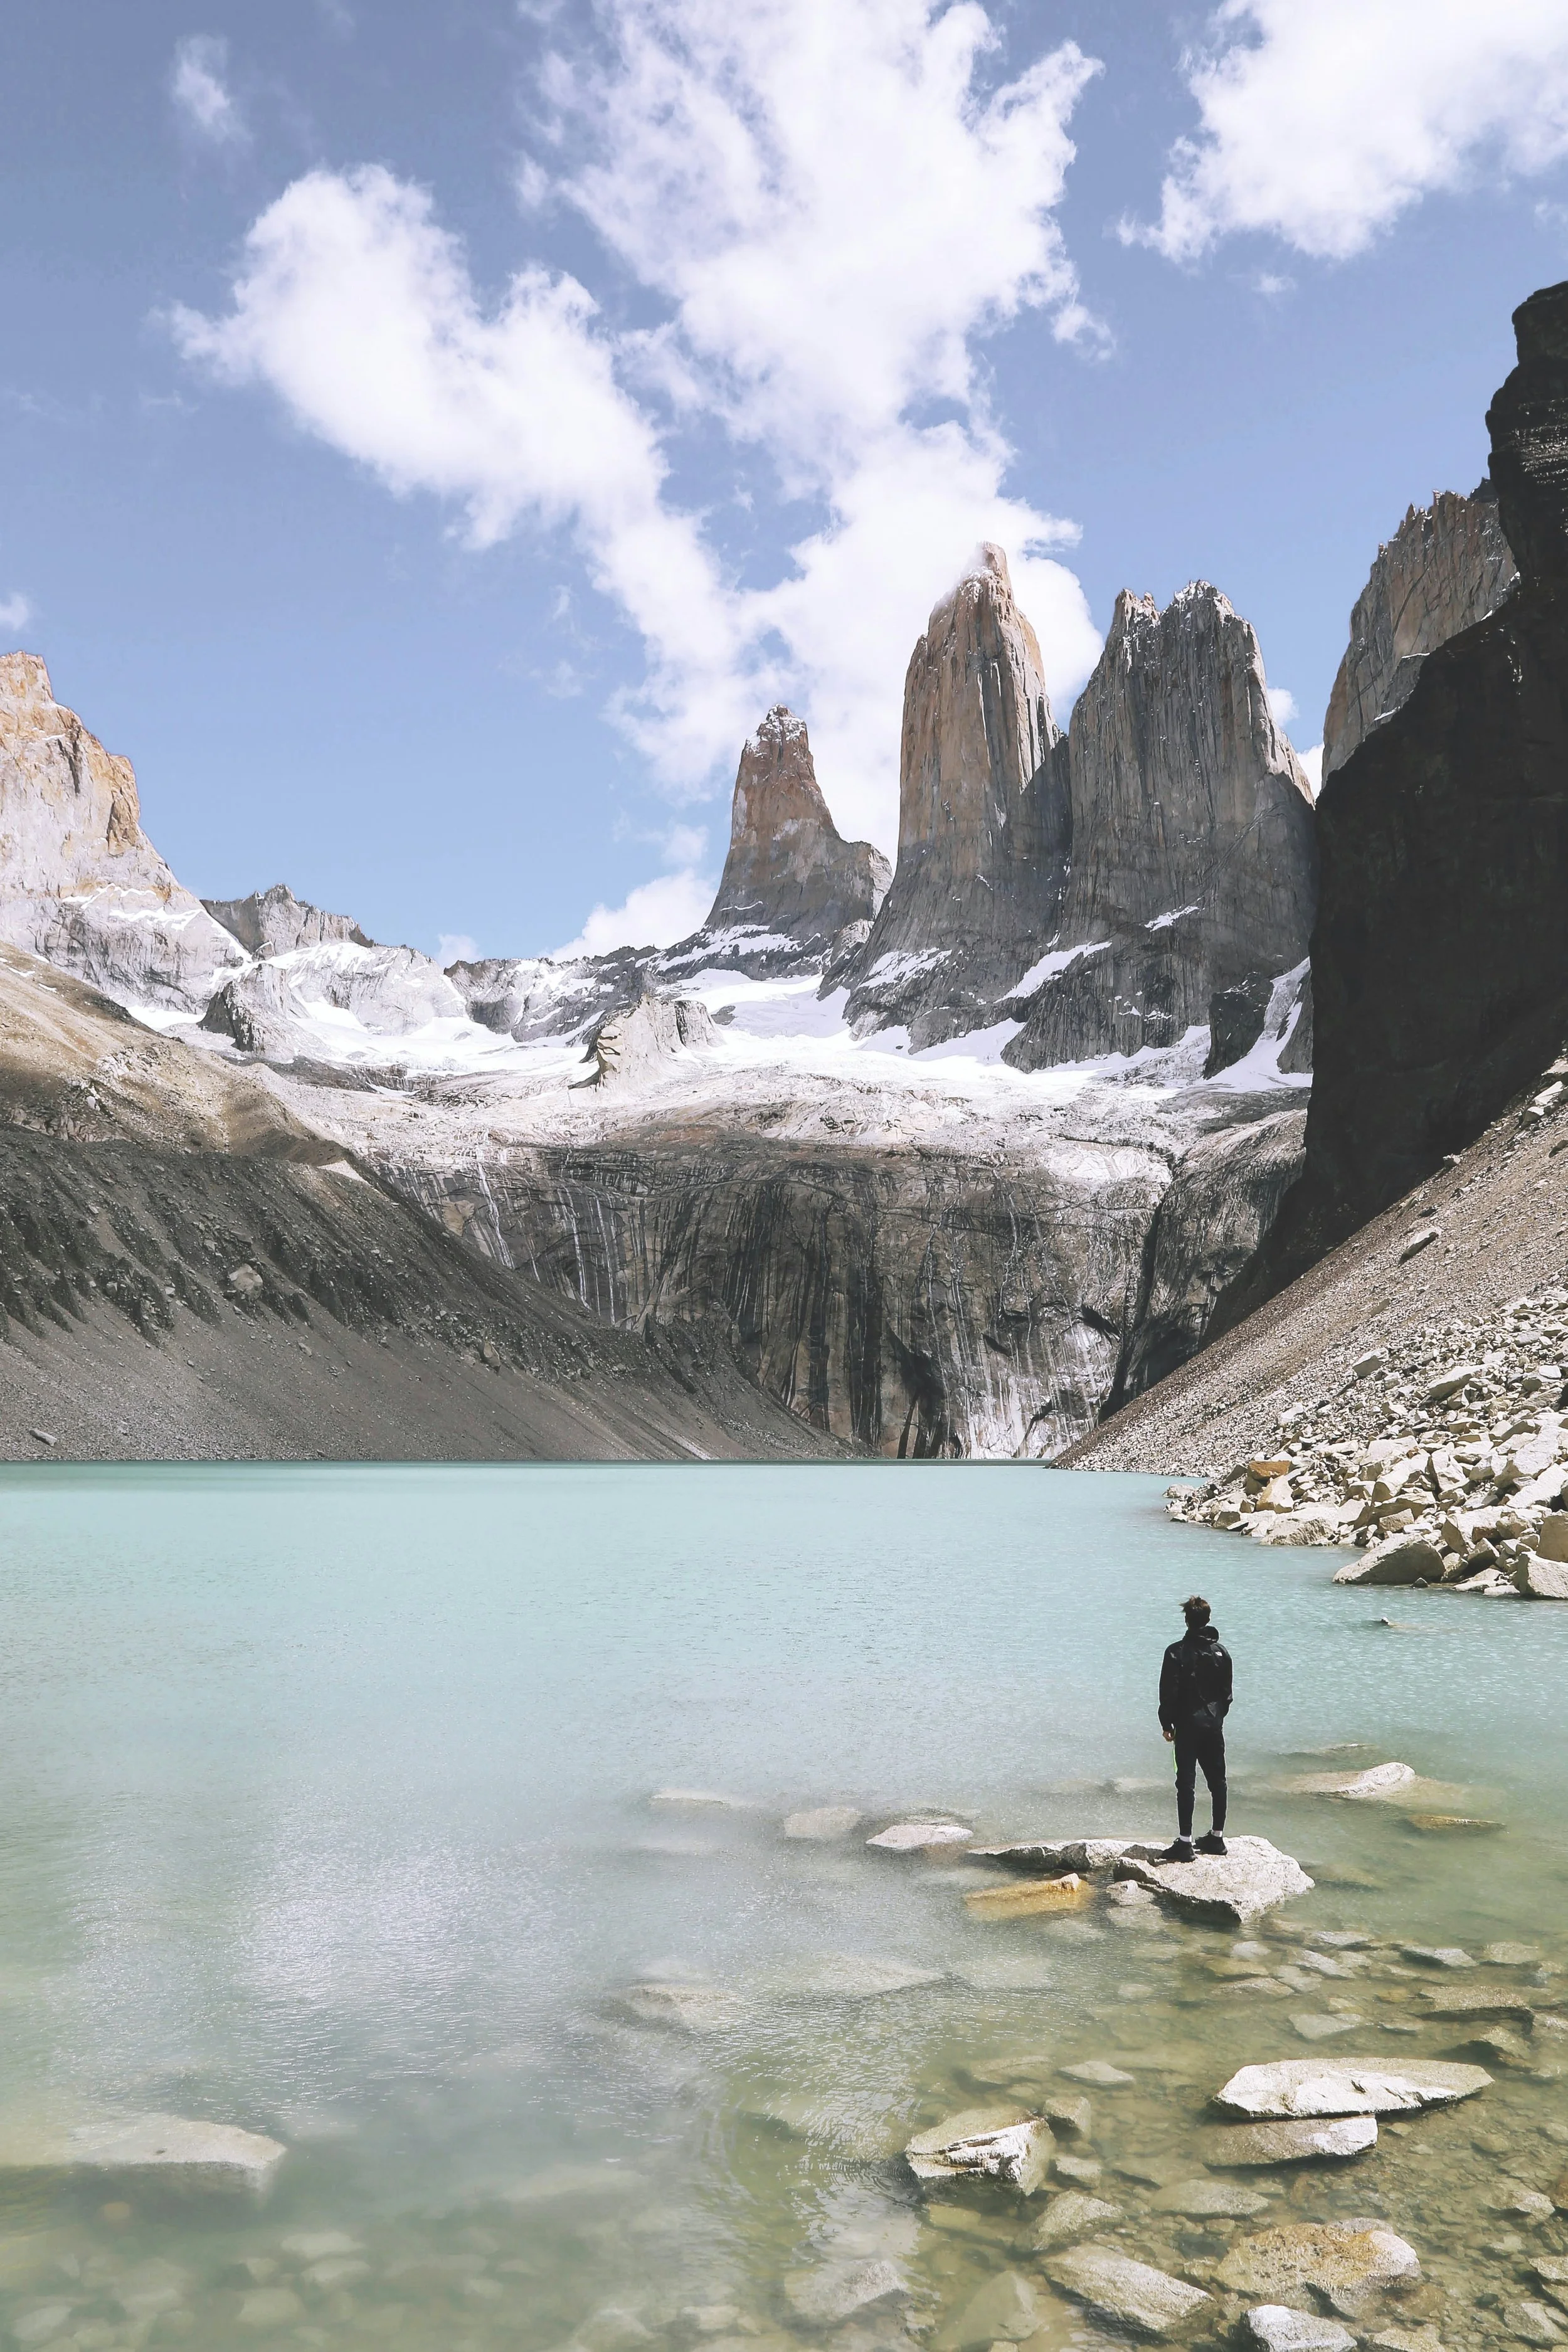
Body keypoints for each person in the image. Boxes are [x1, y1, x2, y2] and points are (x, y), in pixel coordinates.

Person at [1157, 1594, 1232, 1862]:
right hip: (1213, 1726)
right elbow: (1227, 1695)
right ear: (1208, 1620)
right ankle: (1217, 1838)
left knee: (1186, 1784)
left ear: (1187, 1620)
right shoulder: (1221, 1652)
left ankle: (1186, 1844)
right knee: (1218, 1782)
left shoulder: (1175, 1652)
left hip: (1187, 1728)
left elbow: (1168, 1693)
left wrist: (1167, 1724)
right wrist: (1216, 1718)